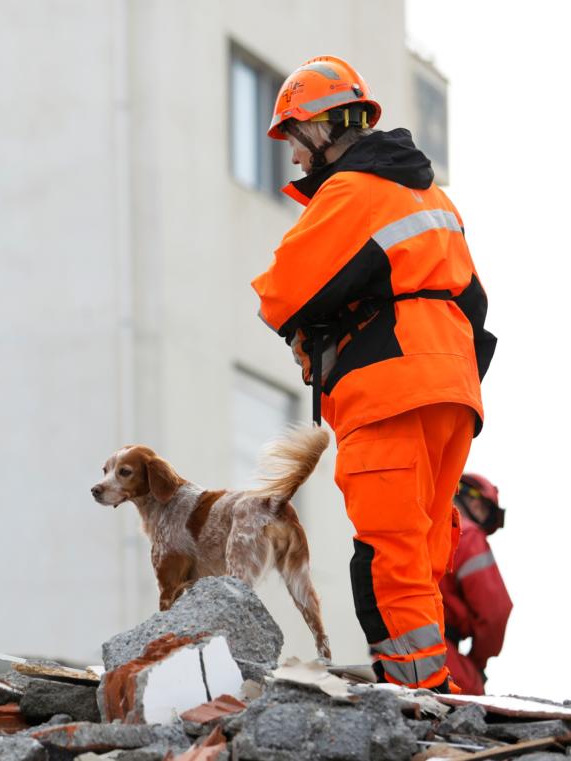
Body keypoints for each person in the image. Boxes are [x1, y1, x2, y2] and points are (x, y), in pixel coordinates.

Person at [251, 56, 496, 690]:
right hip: (453, 389)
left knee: (388, 553)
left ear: (320, 127)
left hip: (388, 386)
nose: (295, 159)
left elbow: (280, 294)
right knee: (424, 550)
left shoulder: (351, 191)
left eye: (293, 139)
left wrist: (319, 332)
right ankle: (437, 691)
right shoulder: (430, 195)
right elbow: (474, 302)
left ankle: (418, 702)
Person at [440, 473, 511, 695]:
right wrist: (478, 662)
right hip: (438, 648)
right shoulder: (468, 534)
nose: (481, 518)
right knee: (471, 701)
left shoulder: (422, 526)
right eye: (483, 508)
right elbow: (495, 612)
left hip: (389, 644)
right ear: (471, 500)